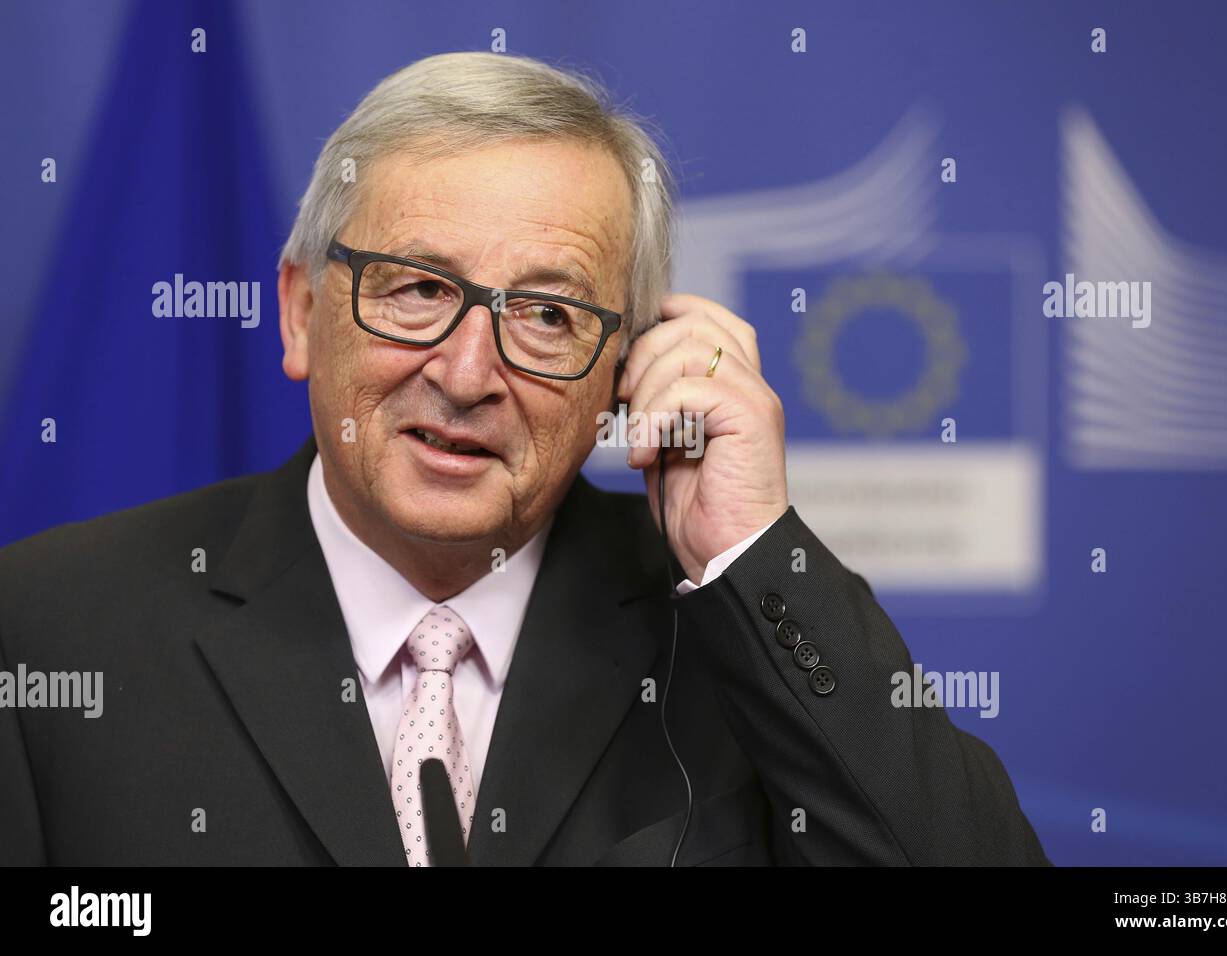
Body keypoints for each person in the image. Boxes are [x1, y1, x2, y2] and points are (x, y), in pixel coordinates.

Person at [0, 51, 1048, 866]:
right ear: (302, 311)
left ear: (622, 365)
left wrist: (750, 553)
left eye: (547, 314)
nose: (465, 373)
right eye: (415, 287)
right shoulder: (43, 624)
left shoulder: (739, 627)